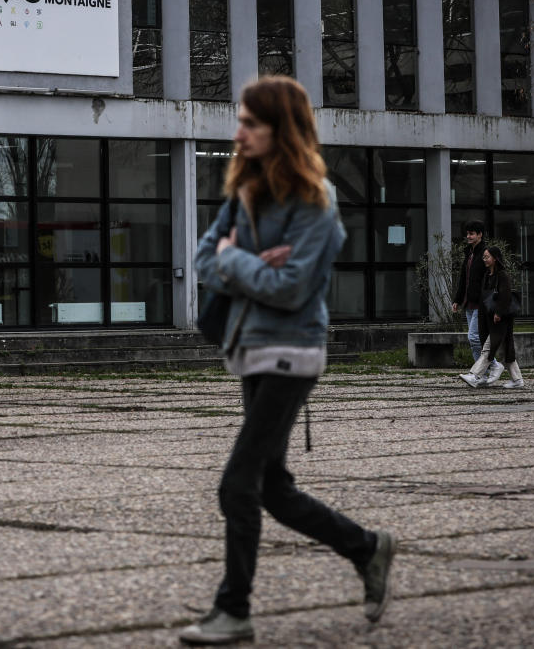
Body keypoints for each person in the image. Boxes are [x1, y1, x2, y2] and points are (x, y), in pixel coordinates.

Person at [183, 76, 395, 645]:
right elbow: (205, 259)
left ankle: (233, 611)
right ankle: (367, 547)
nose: (240, 132)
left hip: (293, 353)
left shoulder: (315, 204)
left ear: (282, 128)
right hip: (252, 350)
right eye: (241, 120)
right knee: (272, 486)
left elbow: (292, 288)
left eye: (251, 122)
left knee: (237, 485)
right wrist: (252, 261)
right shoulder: (247, 193)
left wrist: (238, 260)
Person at [451, 221, 505, 386]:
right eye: (467, 233)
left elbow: (490, 277)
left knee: (474, 337)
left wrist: (488, 299)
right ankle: (481, 375)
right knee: (474, 340)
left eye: (472, 233)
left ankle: (494, 365)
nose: (468, 236)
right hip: (469, 302)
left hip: (480, 302)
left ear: (480, 234)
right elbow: (464, 279)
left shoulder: (485, 253)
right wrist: (458, 300)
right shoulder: (469, 253)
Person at [465, 245, 524, 389]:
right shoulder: (487, 276)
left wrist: (499, 312)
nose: (485, 259)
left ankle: (475, 375)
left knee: (488, 348)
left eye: (487, 257)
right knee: (506, 349)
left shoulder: (502, 275)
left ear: (495, 259)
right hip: (489, 317)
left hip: (500, 319)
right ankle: (517, 380)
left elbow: (505, 295)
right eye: (484, 257)